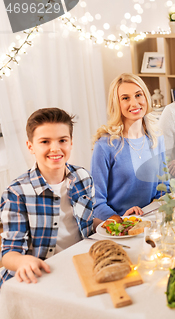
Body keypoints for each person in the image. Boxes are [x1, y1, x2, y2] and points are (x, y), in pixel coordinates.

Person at [0, 108, 94, 287]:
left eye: (62, 140)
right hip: (37, 276)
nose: (55, 148)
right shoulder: (16, 193)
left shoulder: (83, 177)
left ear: (71, 142)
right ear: (30, 146)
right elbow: (9, 254)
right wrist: (22, 261)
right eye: (45, 141)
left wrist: (114, 223)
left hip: (79, 266)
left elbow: (87, 223)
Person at [91, 73, 166, 221]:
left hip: (151, 221)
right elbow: (96, 202)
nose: (134, 103)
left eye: (138, 95)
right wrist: (122, 221)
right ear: (116, 104)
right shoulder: (105, 146)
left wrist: (151, 211)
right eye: (125, 98)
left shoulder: (156, 138)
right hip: (119, 227)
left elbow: (164, 185)